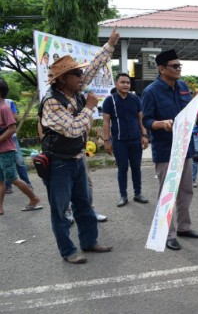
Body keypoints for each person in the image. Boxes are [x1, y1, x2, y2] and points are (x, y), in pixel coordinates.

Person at [39, 56, 113, 264]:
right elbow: (72, 129)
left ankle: (89, 241)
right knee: (61, 210)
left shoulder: (74, 92)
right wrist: (89, 107)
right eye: (77, 74)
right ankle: (68, 251)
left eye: (81, 73)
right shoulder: (52, 101)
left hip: (77, 158)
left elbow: (93, 68)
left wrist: (110, 45)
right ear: (63, 79)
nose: (83, 77)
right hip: (59, 162)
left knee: (84, 203)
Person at [142, 49, 198, 251]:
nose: (179, 69)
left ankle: (185, 227)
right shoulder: (151, 91)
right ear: (162, 69)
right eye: (174, 66)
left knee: (186, 191)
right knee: (167, 193)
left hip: (184, 148)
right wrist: (162, 124)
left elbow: (189, 112)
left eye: (180, 66)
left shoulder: (183, 87)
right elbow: (147, 120)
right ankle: (168, 234)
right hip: (165, 149)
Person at [102, 73, 149, 207]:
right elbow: (106, 122)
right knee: (122, 168)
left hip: (135, 140)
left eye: (128, 83)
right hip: (119, 141)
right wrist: (106, 140)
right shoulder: (109, 100)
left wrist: (144, 135)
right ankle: (123, 195)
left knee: (136, 168)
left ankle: (138, 193)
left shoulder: (135, 99)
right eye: (122, 82)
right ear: (116, 84)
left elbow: (141, 119)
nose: (126, 85)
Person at [0, 80, 41, 215]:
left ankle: (34, 198)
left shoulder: (4, 108)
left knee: (13, 178)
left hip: (6, 150)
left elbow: (12, 129)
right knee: (1, 180)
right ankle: (0, 208)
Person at [4, 98, 33, 194]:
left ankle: (27, 184)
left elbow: (15, 116)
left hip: (11, 137)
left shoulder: (8, 102)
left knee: (19, 161)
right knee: (4, 162)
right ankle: (7, 186)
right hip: (2, 138)